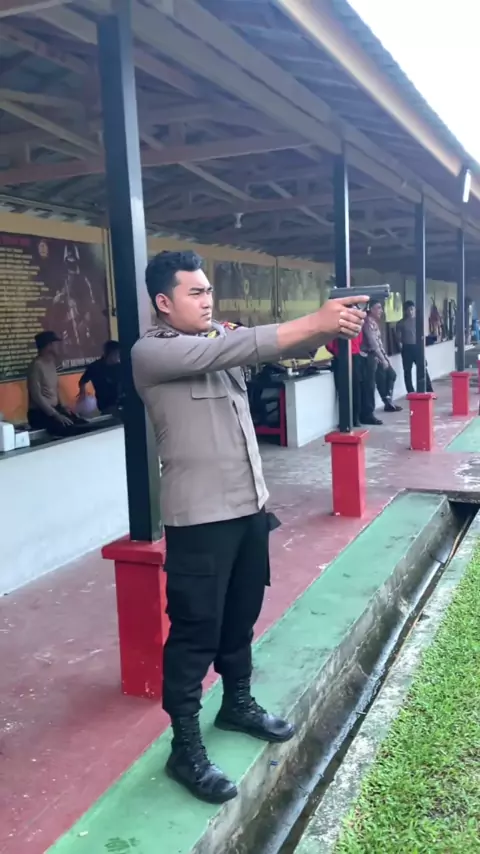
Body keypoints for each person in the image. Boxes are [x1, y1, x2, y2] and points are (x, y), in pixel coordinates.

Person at [131, 250, 367, 805]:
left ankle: (236, 704)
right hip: (199, 518)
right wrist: (314, 319)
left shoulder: (219, 339)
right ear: (163, 302)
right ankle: (185, 747)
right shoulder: (153, 352)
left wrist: (329, 328)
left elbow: (273, 350)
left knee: (240, 616)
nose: (207, 300)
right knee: (195, 632)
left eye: (209, 290)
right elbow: (243, 345)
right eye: (194, 292)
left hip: (248, 508)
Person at [27, 331, 90, 437]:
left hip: (55, 409)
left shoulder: (51, 363)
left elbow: (55, 389)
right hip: (40, 413)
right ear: (49, 346)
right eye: (56, 343)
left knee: (82, 424)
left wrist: (63, 407)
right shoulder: (36, 366)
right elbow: (36, 396)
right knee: (69, 429)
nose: (59, 346)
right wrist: (55, 415)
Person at [362, 300, 402, 414]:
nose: (381, 311)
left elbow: (379, 344)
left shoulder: (374, 323)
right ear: (371, 309)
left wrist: (385, 359)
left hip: (378, 356)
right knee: (377, 382)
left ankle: (388, 401)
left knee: (391, 375)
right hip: (370, 356)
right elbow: (373, 344)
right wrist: (382, 359)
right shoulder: (367, 323)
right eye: (378, 308)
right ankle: (385, 403)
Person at [327, 331, 367, 427]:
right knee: (355, 388)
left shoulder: (336, 327)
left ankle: (345, 420)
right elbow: (360, 340)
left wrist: (336, 351)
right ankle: (355, 419)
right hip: (354, 356)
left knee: (343, 389)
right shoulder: (354, 325)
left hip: (341, 356)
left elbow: (329, 345)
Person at [396, 301, 433, 394]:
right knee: (407, 371)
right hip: (407, 348)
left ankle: (429, 389)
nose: (410, 311)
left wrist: (423, 348)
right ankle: (410, 391)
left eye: (412, 309)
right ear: (405, 311)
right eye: (408, 310)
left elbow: (423, 335)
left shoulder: (418, 321)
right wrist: (401, 346)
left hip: (417, 347)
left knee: (422, 368)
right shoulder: (401, 323)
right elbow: (398, 337)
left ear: (414, 309)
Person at [78, 340, 123, 416]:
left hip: (120, 403)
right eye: (117, 354)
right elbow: (82, 381)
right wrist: (82, 394)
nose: (119, 357)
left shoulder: (119, 367)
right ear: (111, 353)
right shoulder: (95, 367)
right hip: (105, 404)